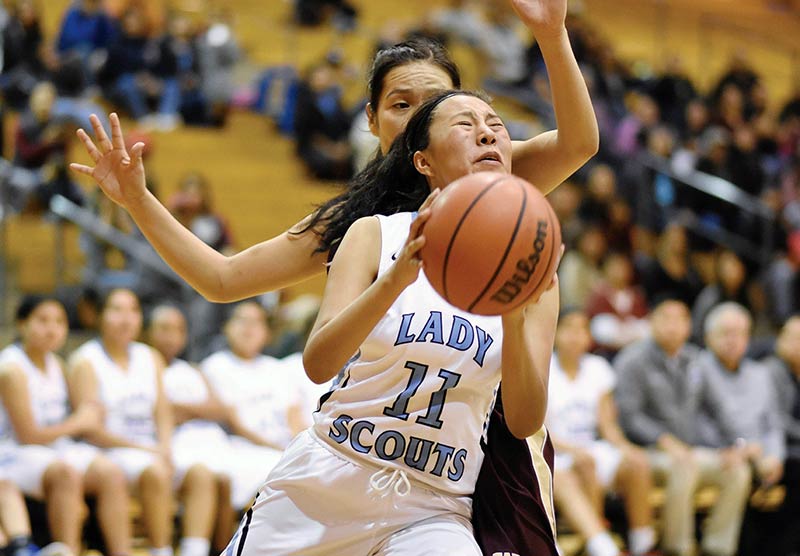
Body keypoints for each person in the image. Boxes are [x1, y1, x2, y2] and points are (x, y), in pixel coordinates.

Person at [71, 2, 597, 552]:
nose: (418, 114)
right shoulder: (359, 226)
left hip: (472, 465)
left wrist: (551, 33)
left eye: (435, 104)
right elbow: (223, 279)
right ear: (372, 121)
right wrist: (138, 200)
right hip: (346, 459)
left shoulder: (494, 180)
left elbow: (580, 143)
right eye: (400, 105)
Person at [220, 88, 558, 554]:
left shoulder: (532, 268)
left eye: (496, 124)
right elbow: (319, 363)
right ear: (424, 162)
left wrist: (516, 312)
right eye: (465, 124)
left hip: (432, 506)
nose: (486, 132)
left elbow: (523, 422)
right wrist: (394, 282)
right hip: (330, 476)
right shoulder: (375, 234)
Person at [67, 288, 210, 556]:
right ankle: (161, 550)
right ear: (99, 316)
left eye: (133, 311)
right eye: (117, 310)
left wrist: (165, 446)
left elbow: (161, 411)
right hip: (109, 451)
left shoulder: (149, 356)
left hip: (151, 449)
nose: (126, 318)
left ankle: (194, 551)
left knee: (201, 475)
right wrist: (147, 451)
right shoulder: (85, 361)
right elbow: (91, 430)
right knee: (153, 472)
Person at [614, 298, 752, 556]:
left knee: (737, 470)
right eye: (666, 318)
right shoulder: (632, 360)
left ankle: (718, 548)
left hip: (688, 450)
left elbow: (719, 409)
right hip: (646, 454)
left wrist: (737, 444)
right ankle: (678, 548)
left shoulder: (694, 359)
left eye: (681, 319)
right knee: (684, 465)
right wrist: (664, 440)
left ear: (689, 326)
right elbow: (629, 417)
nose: (673, 326)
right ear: (652, 322)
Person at [0, 296, 130, 555]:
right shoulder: (12, 369)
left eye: (59, 322)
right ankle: (68, 549)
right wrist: (78, 422)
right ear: (22, 324)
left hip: (52, 448)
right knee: (66, 473)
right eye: (43, 321)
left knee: (110, 472)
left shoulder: (57, 365)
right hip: (14, 453)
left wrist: (91, 414)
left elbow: (84, 416)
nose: (52, 329)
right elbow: (28, 435)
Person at [546, 309, 657, 556]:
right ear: (555, 333)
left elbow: (607, 426)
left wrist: (628, 449)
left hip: (590, 448)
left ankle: (643, 544)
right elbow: (539, 431)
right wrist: (576, 451)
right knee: (578, 468)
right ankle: (602, 545)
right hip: (556, 452)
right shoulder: (544, 368)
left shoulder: (598, 368)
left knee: (638, 463)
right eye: (569, 329)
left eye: (582, 329)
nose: (576, 336)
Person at [146, 304, 237, 552]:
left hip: (210, 441)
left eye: (178, 330)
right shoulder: (145, 369)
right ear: (148, 332)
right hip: (174, 445)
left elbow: (221, 409)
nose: (172, 336)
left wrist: (184, 410)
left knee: (228, 481)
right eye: (164, 329)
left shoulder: (193, 369)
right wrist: (197, 409)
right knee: (204, 475)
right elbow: (161, 412)